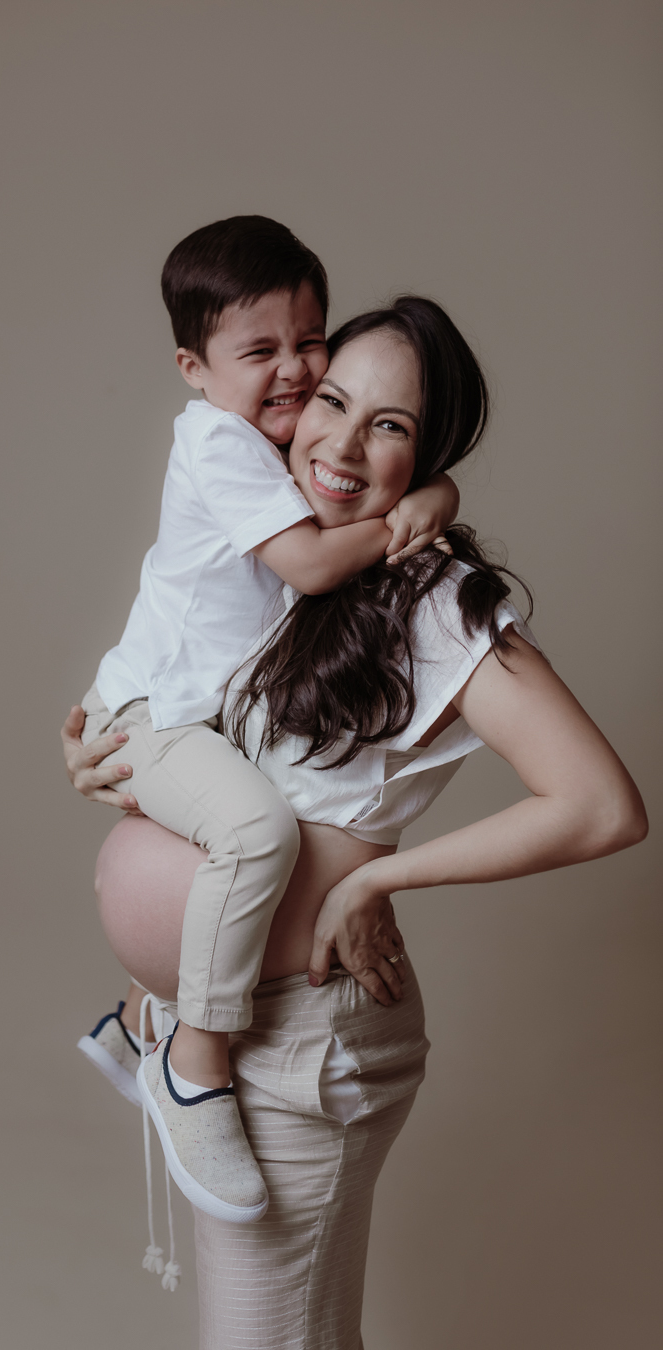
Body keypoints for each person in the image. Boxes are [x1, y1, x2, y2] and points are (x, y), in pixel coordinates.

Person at [63, 296, 647, 1348]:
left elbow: (601, 806)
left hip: (304, 1038)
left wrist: (377, 880)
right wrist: (101, 757)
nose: (339, 441)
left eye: (390, 425)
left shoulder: (438, 599)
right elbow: (185, 711)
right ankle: (158, 1033)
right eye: (331, 401)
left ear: (427, 454)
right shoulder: (284, 560)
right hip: (226, 1026)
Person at [74, 217, 459, 1221]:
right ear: (194, 370)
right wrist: (418, 512)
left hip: (192, 713)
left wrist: (438, 483)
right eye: (260, 352)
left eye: (310, 341)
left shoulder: (281, 440)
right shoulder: (218, 442)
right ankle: (193, 1064)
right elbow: (315, 563)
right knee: (255, 831)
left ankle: (134, 1023)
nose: (293, 370)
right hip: (157, 711)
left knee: (246, 816)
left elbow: (383, 447)